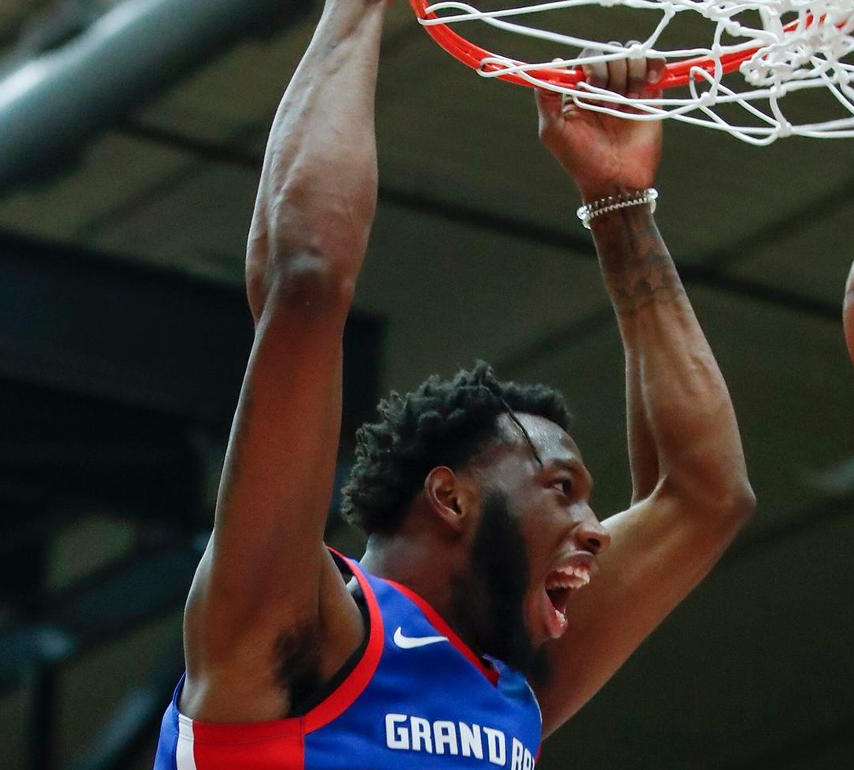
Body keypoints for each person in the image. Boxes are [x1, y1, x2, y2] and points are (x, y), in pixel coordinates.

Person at [153, 1, 754, 767]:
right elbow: (304, 281)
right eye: (562, 486)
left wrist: (619, 205)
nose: (596, 525)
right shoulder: (298, 627)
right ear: (449, 496)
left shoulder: (508, 688)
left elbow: (704, 494)